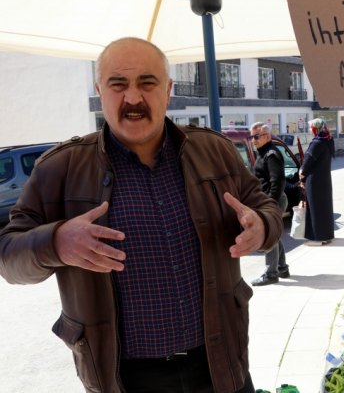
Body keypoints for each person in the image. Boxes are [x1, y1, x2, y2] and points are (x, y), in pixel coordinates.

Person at [0, 37, 281, 393]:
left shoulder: (215, 151)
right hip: (124, 378)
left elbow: (266, 205)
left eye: (147, 83)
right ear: (100, 90)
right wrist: (56, 242)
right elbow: (7, 256)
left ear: (168, 90)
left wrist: (263, 227)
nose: (133, 98)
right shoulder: (60, 169)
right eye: (118, 84)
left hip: (221, 363)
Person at [249, 122, 289, 286]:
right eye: (251, 137)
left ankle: (271, 274)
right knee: (274, 234)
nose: (253, 140)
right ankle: (282, 268)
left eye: (256, 136)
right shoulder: (263, 153)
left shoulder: (271, 154)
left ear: (266, 136)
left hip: (273, 200)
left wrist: (270, 203)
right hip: (269, 200)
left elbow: (277, 181)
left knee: (268, 234)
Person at [299, 118, 335, 245]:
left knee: (315, 208)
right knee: (324, 208)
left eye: (310, 127)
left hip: (314, 181)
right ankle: (326, 235)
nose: (309, 129)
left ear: (315, 128)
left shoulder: (316, 143)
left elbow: (307, 162)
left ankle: (317, 237)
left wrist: (301, 174)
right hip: (324, 180)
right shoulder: (327, 141)